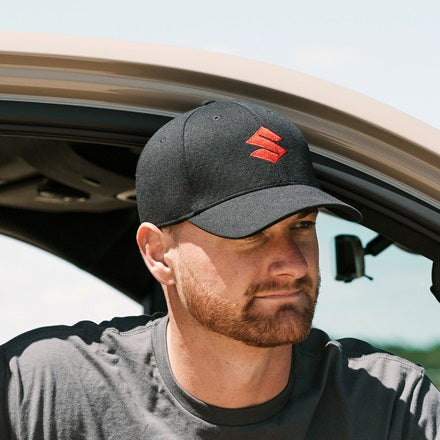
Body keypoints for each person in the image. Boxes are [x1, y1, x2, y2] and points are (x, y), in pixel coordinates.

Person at [0, 100, 438, 439]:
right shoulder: (41, 390)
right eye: (250, 233)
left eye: (302, 226)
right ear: (158, 253)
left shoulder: (390, 405)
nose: (292, 263)